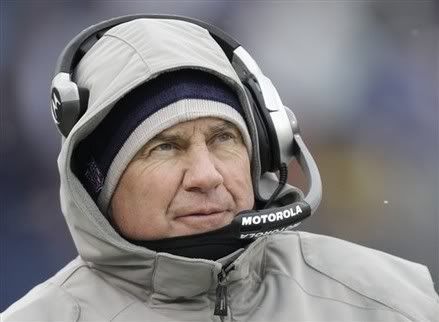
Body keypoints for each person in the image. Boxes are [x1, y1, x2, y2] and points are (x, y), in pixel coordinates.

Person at [3, 15, 438, 321]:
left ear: (267, 147)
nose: (206, 175)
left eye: (223, 138)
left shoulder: (392, 299)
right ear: (96, 182)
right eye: (165, 147)